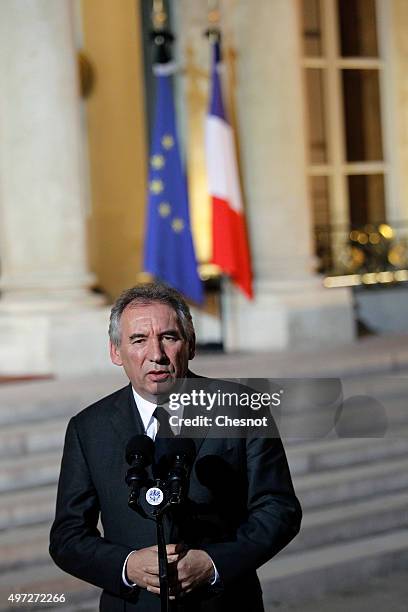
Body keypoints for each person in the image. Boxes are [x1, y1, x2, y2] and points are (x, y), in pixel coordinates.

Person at [50, 282, 301, 611]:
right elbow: (67, 537)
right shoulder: (87, 428)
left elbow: (279, 510)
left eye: (168, 337)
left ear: (191, 344)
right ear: (116, 352)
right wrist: (126, 566)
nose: (156, 354)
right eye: (138, 340)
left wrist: (212, 564)